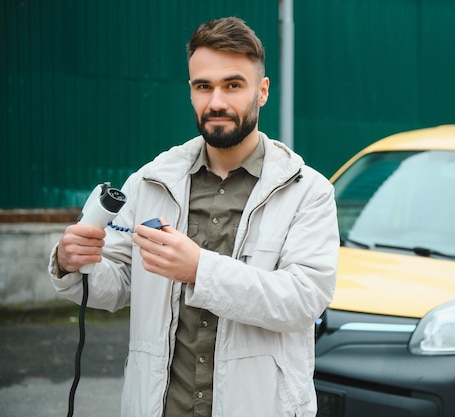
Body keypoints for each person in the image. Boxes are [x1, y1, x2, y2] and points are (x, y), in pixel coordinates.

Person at [48, 16, 339, 417]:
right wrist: (72, 263)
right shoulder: (150, 182)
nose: (216, 101)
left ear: (262, 91)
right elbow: (117, 284)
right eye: (204, 86)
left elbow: (302, 300)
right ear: (190, 92)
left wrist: (199, 269)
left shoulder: (308, 191)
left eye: (233, 85)